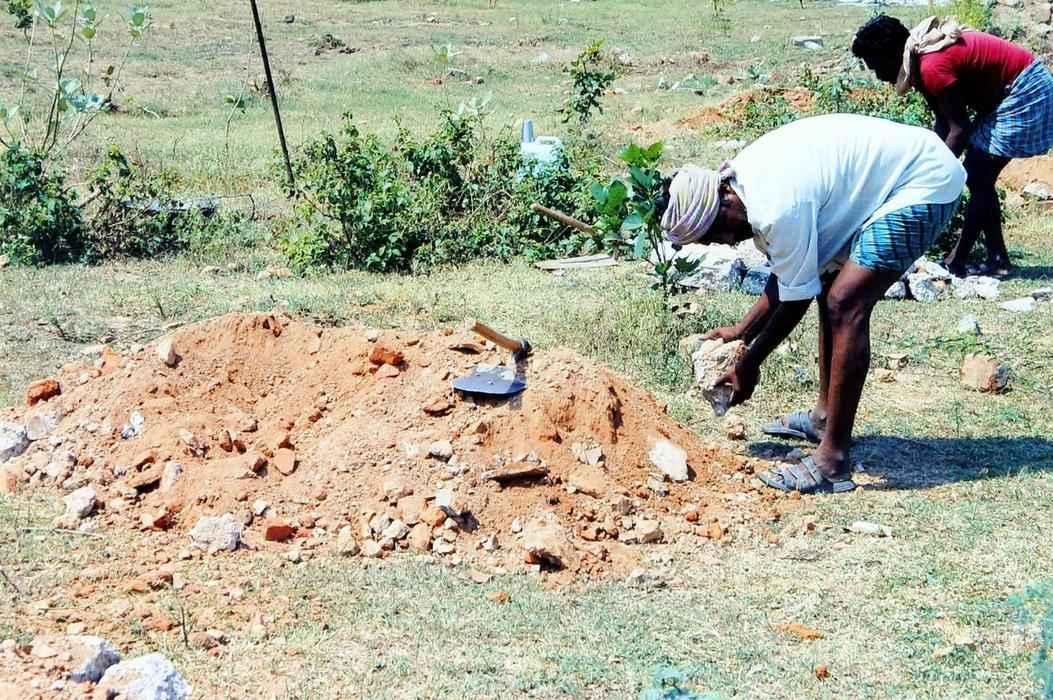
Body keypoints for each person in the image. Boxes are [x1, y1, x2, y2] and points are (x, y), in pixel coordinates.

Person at [662, 114, 965, 494]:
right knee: (832, 289)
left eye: (715, 233)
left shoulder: (775, 206)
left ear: (724, 201)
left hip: (924, 182)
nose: (724, 242)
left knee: (845, 303)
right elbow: (792, 274)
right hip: (894, 179)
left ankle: (832, 461)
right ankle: (823, 419)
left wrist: (750, 363)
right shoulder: (749, 186)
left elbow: (795, 300)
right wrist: (742, 331)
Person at [852, 15, 1053, 277]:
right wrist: (921, 166)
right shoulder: (919, 61)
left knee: (977, 174)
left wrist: (933, 174)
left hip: (1025, 90)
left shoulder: (931, 65)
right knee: (979, 176)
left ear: (891, 55)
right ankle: (997, 258)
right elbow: (944, 123)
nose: (878, 76)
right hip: (1005, 93)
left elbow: (960, 129)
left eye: (877, 67)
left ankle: (957, 259)